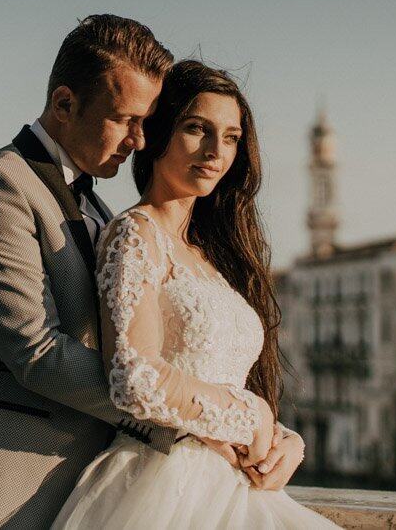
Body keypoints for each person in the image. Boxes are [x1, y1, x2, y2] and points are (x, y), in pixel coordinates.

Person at [0, 16, 250, 529]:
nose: (140, 140)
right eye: (125, 120)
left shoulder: (102, 210)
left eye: (146, 122)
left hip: (93, 494)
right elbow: (36, 352)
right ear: (64, 104)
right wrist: (187, 423)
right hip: (6, 495)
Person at [50, 59, 341, 528]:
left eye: (230, 137)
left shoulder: (211, 255)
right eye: (196, 128)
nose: (215, 151)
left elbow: (216, 377)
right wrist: (252, 414)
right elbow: (135, 377)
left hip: (233, 488)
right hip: (163, 490)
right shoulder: (134, 234)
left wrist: (282, 439)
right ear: (157, 133)